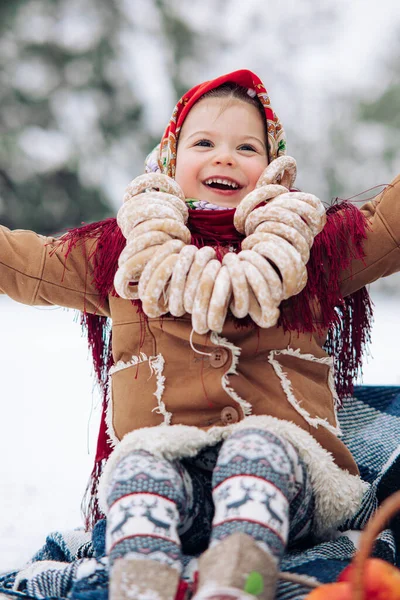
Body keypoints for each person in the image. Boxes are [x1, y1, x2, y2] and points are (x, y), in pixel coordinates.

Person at [1, 69, 399, 600]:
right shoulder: (122, 255)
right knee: (138, 465)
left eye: (247, 146)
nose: (225, 156)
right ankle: (142, 584)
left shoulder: (315, 250)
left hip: (290, 478)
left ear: (273, 167)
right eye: (204, 142)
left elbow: (390, 225)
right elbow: (28, 264)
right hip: (172, 475)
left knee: (258, 447)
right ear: (170, 159)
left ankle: (240, 582)